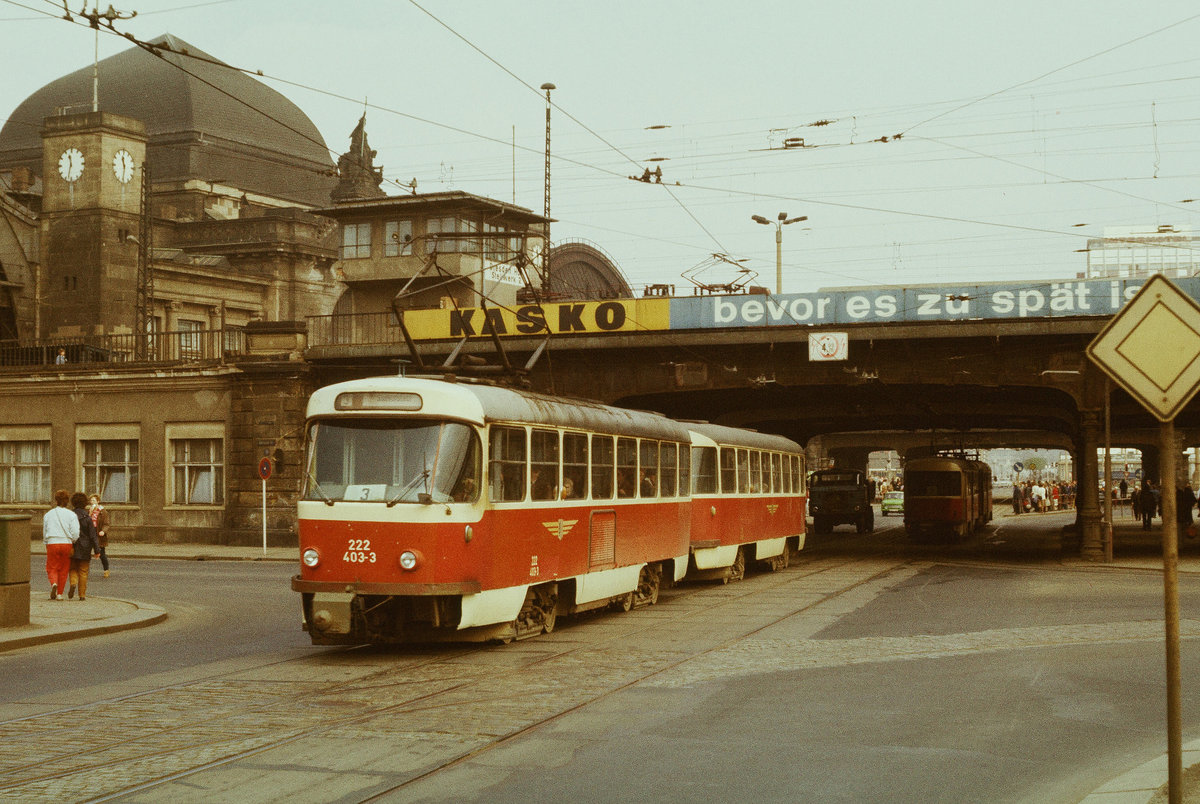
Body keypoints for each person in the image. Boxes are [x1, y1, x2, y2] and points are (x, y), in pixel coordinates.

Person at [42, 489, 79, 600]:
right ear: (67, 501)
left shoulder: (48, 514)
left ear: (56, 500)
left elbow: (45, 531)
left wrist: (46, 541)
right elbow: (76, 532)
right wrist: (73, 540)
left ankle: (54, 583)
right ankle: (59, 594)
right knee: (64, 569)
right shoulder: (71, 515)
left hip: (52, 542)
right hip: (66, 543)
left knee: (52, 567)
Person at [67, 492, 99, 600]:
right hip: (85, 547)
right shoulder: (87, 518)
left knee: (72, 568)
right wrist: (97, 550)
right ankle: (82, 595)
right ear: (85, 503)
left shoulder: (69, 516)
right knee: (83, 571)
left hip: (72, 546)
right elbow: (93, 536)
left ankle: (73, 583)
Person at [87, 493, 111, 577]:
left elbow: (106, 523)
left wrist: (103, 531)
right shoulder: (89, 510)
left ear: (98, 501)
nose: (92, 502)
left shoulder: (102, 511)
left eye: (94, 500)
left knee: (101, 553)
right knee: (86, 553)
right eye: (91, 500)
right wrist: (90, 513)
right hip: (90, 533)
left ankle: (106, 569)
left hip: (98, 533)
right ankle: (85, 571)